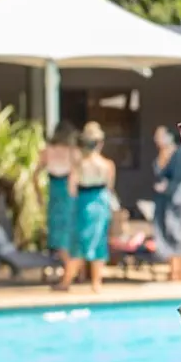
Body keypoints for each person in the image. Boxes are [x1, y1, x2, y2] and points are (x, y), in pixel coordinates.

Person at [55, 121, 116, 293]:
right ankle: (96, 283)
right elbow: (109, 188)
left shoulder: (79, 165)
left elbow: (71, 190)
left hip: (84, 203)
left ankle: (66, 282)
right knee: (98, 243)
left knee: (79, 244)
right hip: (101, 204)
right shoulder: (108, 165)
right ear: (100, 143)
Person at [151, 125, 181, 282]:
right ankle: (173, 271)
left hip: (180, 198)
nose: (157, 139)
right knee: (168, 231)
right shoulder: (161, 154)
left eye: (160, 135)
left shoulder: (179, 153)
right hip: (165, 199)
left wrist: (166, 187)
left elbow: (180, 177)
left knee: (178, 232)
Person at [38, 122, 79, 261]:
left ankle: (68, 266)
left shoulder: (46, 151)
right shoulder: (73, 152)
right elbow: (78, 173)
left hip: (54, 191)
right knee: (69, 229)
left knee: (57, 228)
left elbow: (34, 175)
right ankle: (71, 267)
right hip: (68, 192)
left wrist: (38, 195)